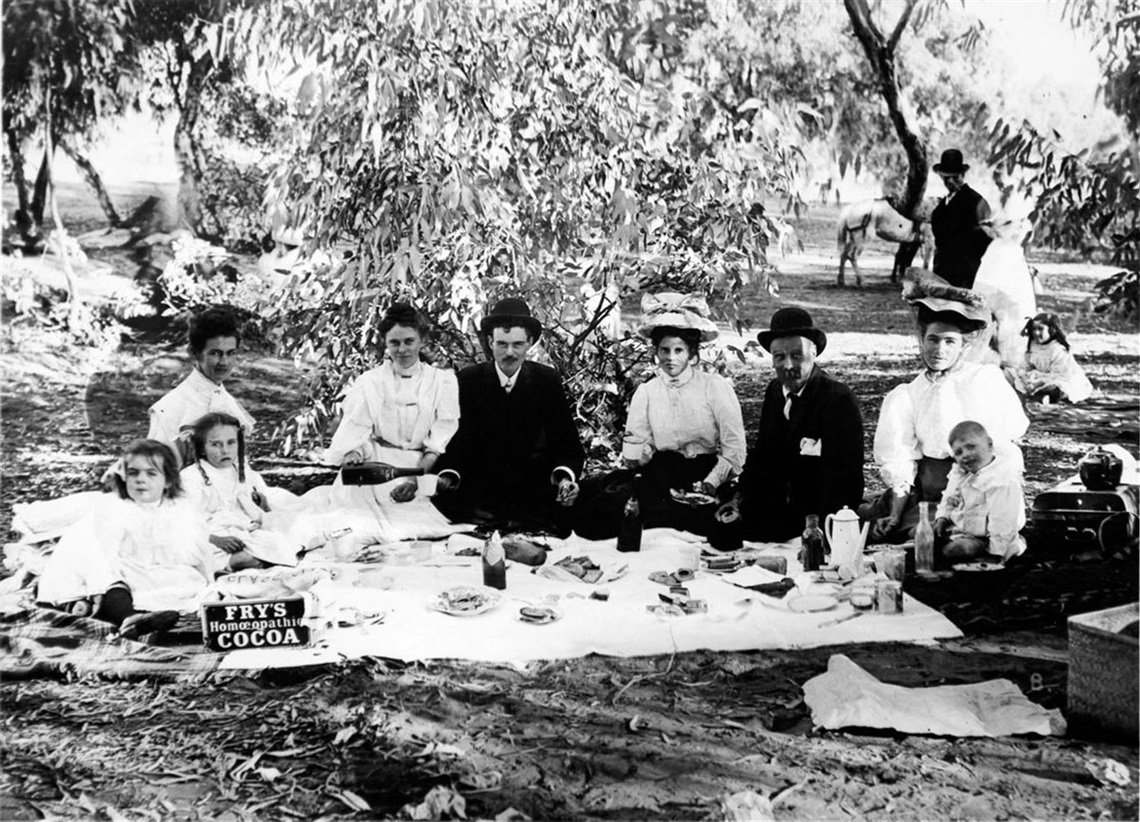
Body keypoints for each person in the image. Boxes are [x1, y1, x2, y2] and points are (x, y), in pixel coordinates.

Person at [36, 440, 257, 640]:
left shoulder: (177, 508)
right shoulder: (114, 508)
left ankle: (143, 618)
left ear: (168, 481)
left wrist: (204, 574)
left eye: (152, 474)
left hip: (150, 567)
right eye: (134, 473)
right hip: (110, 563)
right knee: (112, 581)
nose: (141, 480)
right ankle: (127, 618)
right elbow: (99, 553)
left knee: (185, 582)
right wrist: (102, 581)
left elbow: (194, 549)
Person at [575, 293, 745, 546]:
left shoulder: (715, 387)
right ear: (656, 351)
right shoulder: (648, 391)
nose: (670, 358)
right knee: (606, 510)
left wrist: (711, 482)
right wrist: (636, 454)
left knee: (720, 520)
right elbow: (639, 445)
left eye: (679, 350)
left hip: (706, 471)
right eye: (664, 350)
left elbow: (735, 449)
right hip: (661, 472)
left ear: (691, 353)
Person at [867, 292, 1028, 541]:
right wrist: (896, 514)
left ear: (964, 346)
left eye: (949, 341)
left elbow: (1003, 448)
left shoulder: (983, 380)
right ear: (922, 341)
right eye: (933, 340)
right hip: (928, 495)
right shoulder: (908, 394)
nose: (939, 350)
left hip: (979, 490)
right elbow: (901, 458)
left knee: (950, 540)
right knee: (867, 527)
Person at [433, 297, 584, 535]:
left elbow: (567, 444)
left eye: (517, 344)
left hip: (533, 493)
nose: (510, 353)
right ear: (490, 342)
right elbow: (455, 443)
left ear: (530, 343)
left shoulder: (546, 381)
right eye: (502, 344)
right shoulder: (468, 381)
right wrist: (448, 476)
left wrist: (565, 479)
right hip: (481, 495)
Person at [718, 307, 864, 542]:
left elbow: (846, 478)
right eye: (779, 357)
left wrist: (828, 536)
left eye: (797, 355)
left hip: (815, 520)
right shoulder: (774, 392)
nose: (787, 365)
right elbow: (763, 454)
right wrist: (739, 499)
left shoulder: (837, 398)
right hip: (774, 509)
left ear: (814, 352)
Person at [324, 302, 460, 502]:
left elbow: (437, 443)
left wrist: (415, 479)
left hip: (420, 466)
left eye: (409, 341)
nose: (402, 349)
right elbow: (359, 430)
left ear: (422, 340)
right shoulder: (370, 382)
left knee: (413, 523)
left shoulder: (442, 382)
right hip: (375, 464)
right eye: (394, 343)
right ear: (385, 343)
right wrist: (354, 452)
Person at [181, 412, 298, 567]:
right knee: (196, 552)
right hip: (211, 534)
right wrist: (215, 539)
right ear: (202, 448)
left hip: (243, 529)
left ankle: (253, 558)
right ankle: (230, 563)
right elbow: (184, 521)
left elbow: (253, 507)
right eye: (216, 444)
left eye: (231, 442)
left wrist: (260, 504)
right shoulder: (191, 477)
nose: (225, 450)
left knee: (288, 533)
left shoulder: (240, 469)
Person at [148, 306, 254, 466]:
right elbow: (158, 473)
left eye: (230, 353)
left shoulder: (226, 401)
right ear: (194, 353)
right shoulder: (170, 408)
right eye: (215, 353)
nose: (224, 362)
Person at [934, 420, 1027, 562]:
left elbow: (1003, 522)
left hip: (989, 537)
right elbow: (948, 498)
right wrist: (942, 517)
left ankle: (1010, 547)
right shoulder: (961, 473)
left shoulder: (1001, 479)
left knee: (957, 550)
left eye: (971, 447)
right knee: (921, 534)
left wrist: (997, 554)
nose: (965, 455)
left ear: (989, 445)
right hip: (962, 528)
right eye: (958, 452)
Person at [929, 149, 994, 289]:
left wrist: (967, 258)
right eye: (946, 178)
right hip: (941, 272)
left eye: (955, 177)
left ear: (963, 175)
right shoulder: (941, 206)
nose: (950, 181)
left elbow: (987, 239)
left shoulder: (977, 202)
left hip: (965, 275)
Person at [1013, 312, 1094, 404]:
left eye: (1040, 329)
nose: (1036, 332)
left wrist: (1038, 382)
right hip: (1037, 378)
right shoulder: (1033, 346)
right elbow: (1026, 365)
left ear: (1052, 330)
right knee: (1011, 374)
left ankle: (1046, 396)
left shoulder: (1058, 349)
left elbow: (1060, 374)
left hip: (1061, 378)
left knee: (1055, 388)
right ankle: (1038, 396)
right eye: (1034, 329)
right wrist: (1025, 378)